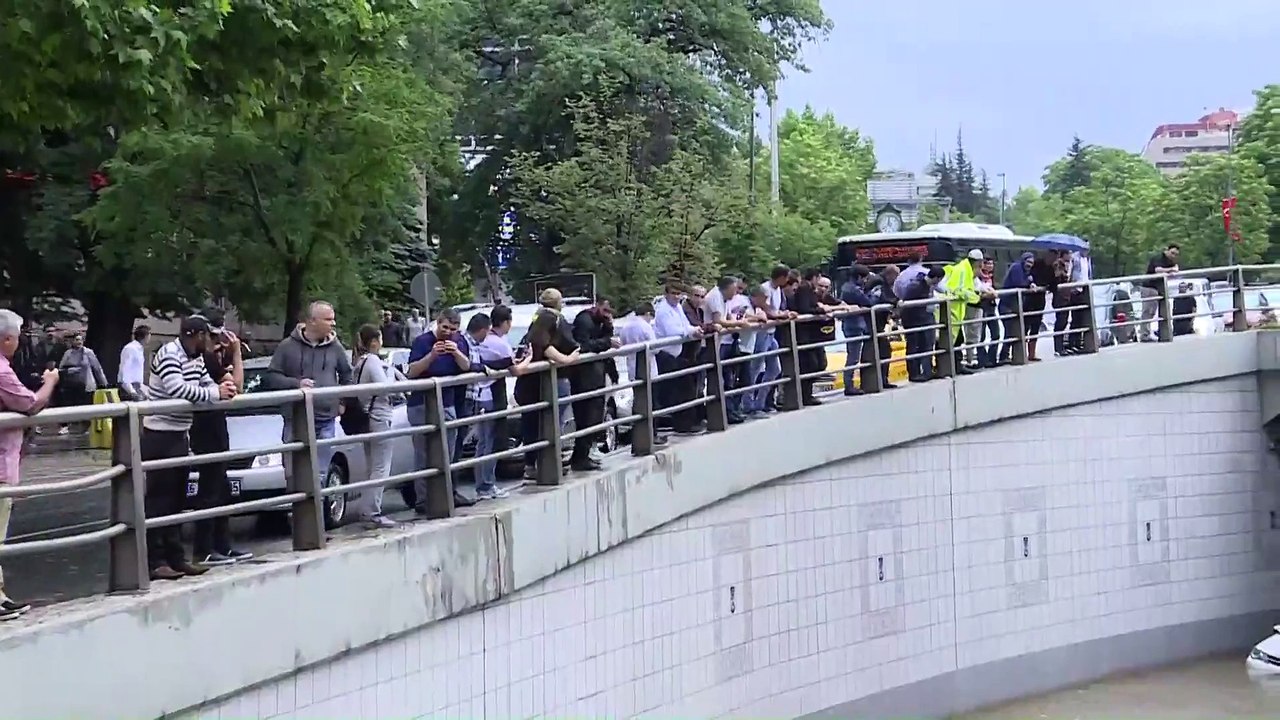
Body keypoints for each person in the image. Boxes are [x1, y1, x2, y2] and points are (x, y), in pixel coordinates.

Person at [143, 313, 237, 580]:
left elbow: (203, 381)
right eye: (206, 336)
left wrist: (221, 387)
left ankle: (176, 558)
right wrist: (215, 394)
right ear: (195, 336)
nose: (209, 342)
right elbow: (178, 390)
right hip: (160, 434)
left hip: (179, 433)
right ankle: (155, 560)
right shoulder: (169, 355)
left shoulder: (193, 357)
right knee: (159, 500)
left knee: (176, 498)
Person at [262, 301, 354, 508]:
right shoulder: (287, 346)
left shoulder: (335, 347)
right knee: (295, 473)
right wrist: (296, 385)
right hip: (296, 418)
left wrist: (342, 401)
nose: (333, 323)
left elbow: (348, 373)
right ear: (312, 321)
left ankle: (316, 522)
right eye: (328, 319)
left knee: (320, 473)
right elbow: (271, 377)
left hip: (326, 418)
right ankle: (299, 518)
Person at [0, 308, 59, 619]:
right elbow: (30, 403)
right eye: (17, 337)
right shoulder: (1, 370)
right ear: (7, 339)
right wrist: (50, 382)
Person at [189, 309, 252, 565]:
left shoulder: (207, 357)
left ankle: (222, 545)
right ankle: (205, 548)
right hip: (207, 427)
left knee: (221, 487)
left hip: (213, 426)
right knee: (210, 489)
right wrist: (236, 353)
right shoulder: (205, 358)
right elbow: (237, 386)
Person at [405, 308, 473, 511]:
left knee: (448, 452)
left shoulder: (459, 341)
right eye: (444, 327)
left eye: (453, 329)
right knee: (423, 453)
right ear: (437, 323)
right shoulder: (422, 341)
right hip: (421, 404)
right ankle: (423, 499)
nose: (448, 332)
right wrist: (432, 356)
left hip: (448, 402)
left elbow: (466, 366)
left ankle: (448, 493)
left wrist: (456, 352)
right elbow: (411, 372)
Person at [473, 306, 531, 497]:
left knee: (483, 442)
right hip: (491, 394)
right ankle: (486, 485)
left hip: (482, 394)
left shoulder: (486, 340)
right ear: (506, 322)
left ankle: (483, 483)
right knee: (489, 442)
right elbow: (515, 370)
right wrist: (528, 358)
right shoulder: (499, 343)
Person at [514, 308, 580, 477]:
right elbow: (563, 359)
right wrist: (573, 355)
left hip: (525, 387)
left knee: (532, 426)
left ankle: (533, 465)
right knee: (543, 426)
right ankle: (543, 464)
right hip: (534, 389)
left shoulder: (530, 339)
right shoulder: (542, 342)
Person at [351, 324, 406, 526]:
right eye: (380, 339)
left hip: (367, 415)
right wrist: (392, 373)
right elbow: (386, 389)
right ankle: (372, 510)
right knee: (381, 466)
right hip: (380, 415)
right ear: (374, 342)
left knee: (372, 465)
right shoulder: (373, 361)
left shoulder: (359, 362)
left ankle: (368, 508)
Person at [569, 297, 619, 469]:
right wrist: (606, 342)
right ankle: (580, 457)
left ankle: (584, 454)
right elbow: (582, 345)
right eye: (605, 311)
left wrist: (608, 326)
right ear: (597, 306)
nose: (607, 315)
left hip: (596, 375)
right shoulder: (584, 320)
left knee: (595, 417)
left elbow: (605, 338)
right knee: (586, 417)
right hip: (584, 377)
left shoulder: (600, 322)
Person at [653, 284, 705, 434]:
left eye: (678, 294)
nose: (676, 297)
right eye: (673, 293)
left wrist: (694, 330)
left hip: (676, 353)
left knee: (684, 389)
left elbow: (685, 325)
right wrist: (690, 332)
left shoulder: (677, 308)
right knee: (678, 391)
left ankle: (686, 424)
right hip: (665, 354)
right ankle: (682, 425)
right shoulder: (663, 311)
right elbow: (672, 331)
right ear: (666, 294)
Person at [789, 269, 830, 406]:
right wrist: (821, 310)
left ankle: (808, 394)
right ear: (815, 277)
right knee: (810, 364)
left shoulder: (809, 290)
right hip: (805, 334)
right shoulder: (804, 289)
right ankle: (806, 395)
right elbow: (805, 308)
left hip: (812, 333)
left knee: (818, 363)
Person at [899, 266, 946, 382]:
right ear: (936, 278)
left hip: (922, 318)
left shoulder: (925, 285)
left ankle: (926, 371)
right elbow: (906, 302)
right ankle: (914, 373)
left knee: (925, 345)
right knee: (914, 346)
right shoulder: (916, 286)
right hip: (914, 320)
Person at [57, 332, 108, 433]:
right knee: (69, 404)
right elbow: (61, 368)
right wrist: (70, 370)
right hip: (71, 383)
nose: (79, 342)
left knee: (86, 404)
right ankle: (66, 425)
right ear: (73, 341)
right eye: (76, 340)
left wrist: (103, 382)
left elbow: (97, 368)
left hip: (86, 382)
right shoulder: (68, 353)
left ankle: (87, 426)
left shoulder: (88, 352)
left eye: (80, 340)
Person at [942, 250, 981, 375]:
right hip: (951, 311)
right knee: (951, 341)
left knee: (957, 340)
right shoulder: (963, 271)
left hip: (954, 311)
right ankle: (949, 368)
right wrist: (978, 297)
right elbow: (960, 291)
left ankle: (955, 367)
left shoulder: (964, 269)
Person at [839, 266, 875, 396]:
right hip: (855, 325)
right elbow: (868, 302)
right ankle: (849, 385)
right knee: (853, 357)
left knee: (853, 356)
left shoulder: (845, 287)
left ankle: (849, 384)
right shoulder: (854, 290)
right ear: (859, 277)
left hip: (850, 324)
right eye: (865, 278)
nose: (865, 281)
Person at [1141, 244, 1180, 342]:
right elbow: (1157, 270)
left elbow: (1176, 269)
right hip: (1149, 287)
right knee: (1148, 311)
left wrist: (1171, 270)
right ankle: (1144, 335)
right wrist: (1170, 270)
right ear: (1167, 250)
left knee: (1152, 311)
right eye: (1172, 253)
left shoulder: (1170, 261)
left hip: (1157, 288)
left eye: (1176, 254)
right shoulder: (1158, 258)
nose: (1173, 256)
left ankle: (1154, 333)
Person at [118, 324, 150, 401]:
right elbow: (125, 370)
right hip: (129, 388)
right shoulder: (130, 349)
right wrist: (131, 391)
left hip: (137, 387)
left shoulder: (139, 349)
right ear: (145, 336)